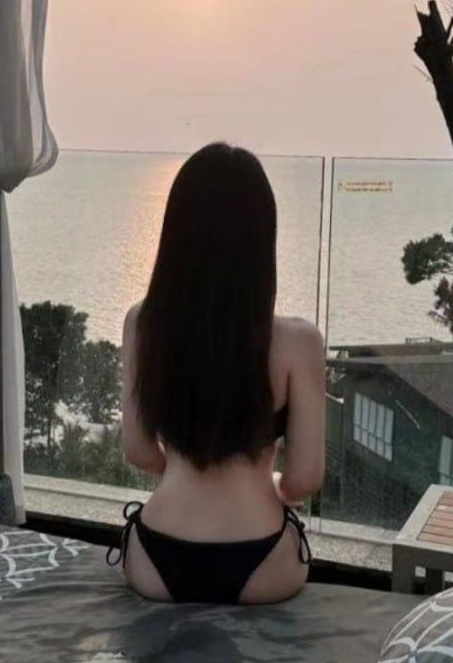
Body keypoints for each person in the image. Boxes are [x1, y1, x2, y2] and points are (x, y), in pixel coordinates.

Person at [107, 142, 325, 605]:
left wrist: (181, 473)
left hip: (155, 557)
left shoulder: (142, 324)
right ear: (262, 239)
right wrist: (272, 488)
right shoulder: (299, 342)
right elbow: (304, 479)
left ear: (175, 232)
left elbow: (138, 448)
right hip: (263, 561)